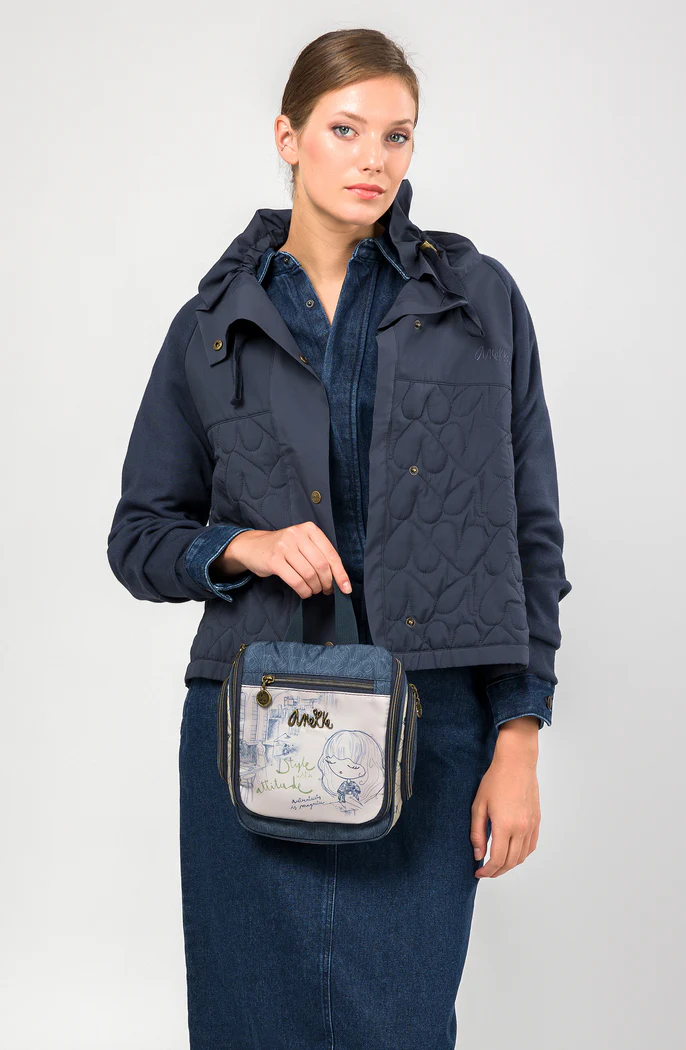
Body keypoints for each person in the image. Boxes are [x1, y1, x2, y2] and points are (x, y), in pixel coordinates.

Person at [107, 27, 572, 1050]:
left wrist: (519, 735)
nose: (374, 159)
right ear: (288, 137)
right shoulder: (212, 325)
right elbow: (139, 535)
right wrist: (245, 546)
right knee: (250, 1026)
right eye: (346, 129)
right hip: (255, 720)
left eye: (397, 136)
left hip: (432, 726)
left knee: (402, 1025)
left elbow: (528, 532)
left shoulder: (478, 303)